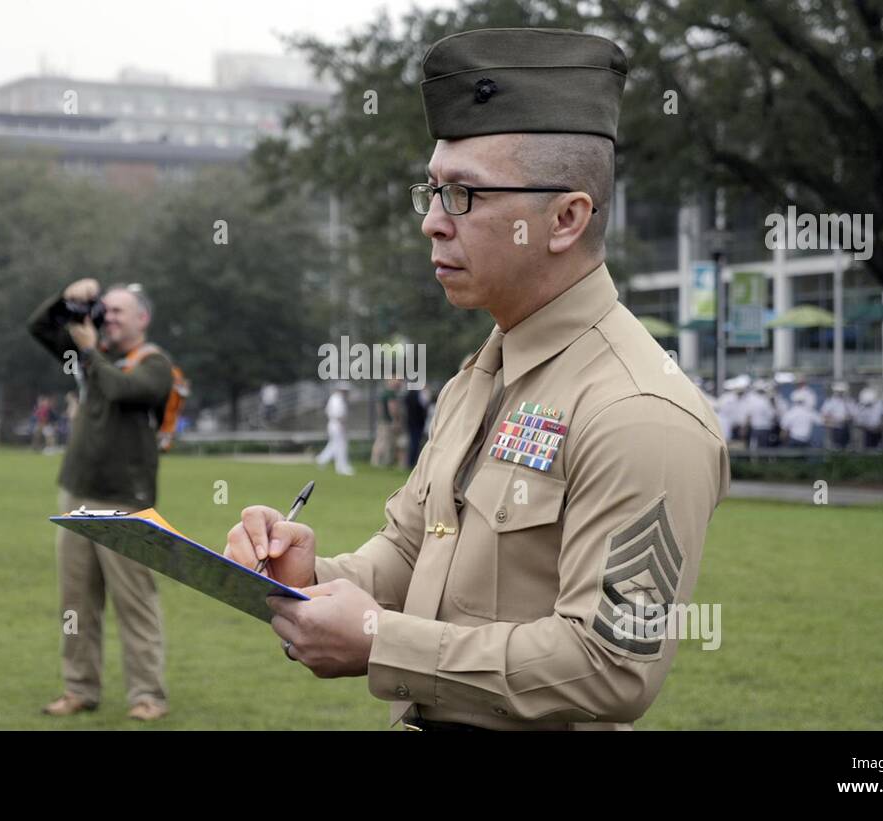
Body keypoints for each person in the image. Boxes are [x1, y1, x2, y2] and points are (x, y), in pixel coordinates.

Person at [222, 27, 728, 730]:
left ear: (565, 218)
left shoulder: (639, 411)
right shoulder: (481, 375)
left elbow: (611, 665)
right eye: (431, 191)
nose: (432, 222)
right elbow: (411, 549)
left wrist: (380, 640)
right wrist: (311, 579)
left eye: (463, 195)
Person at [28, 278, 174, 722]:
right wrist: (67, 299)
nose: (106, 318)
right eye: (102, 310)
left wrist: (90, 351)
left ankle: (149, 695)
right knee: (76, 602)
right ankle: (79, 688)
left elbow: (122, 391)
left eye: (117, 312)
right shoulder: (93, 359)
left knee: (135, 602)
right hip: (77, 493)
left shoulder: (154, 364)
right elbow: (39, 326)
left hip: (125, 502)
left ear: (142, 319)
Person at [315, 382, 355, 476]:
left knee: (334, 444)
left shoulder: (335, 398)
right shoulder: (337, 399)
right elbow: (339, 415)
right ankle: (342, 467)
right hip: (337, 424)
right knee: (341, 446)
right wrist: (343, 425)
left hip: (334, 424)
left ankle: (321, 460)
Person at [371, 378, 404, 467]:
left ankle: (375, 462)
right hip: (388, 422)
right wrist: (395, 420)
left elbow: (379, 408)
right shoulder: (390, 394)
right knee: (386, 443)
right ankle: (383, 463)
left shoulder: (383, 393)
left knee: (379, 441)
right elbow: (392, 408)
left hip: (382, 421)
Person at [742, 381, 777, 449]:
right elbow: (772, 416)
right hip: (766, 428)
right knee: (764, 449)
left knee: (754, 449)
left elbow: (748, 415)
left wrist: (745, 427)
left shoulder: (752, 400)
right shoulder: (767, 401)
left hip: (756, 428)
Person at [403, 384, 431, 468]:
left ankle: (411, 462)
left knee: (413, 443)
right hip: (417, 423)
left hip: (412, 422)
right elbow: (424, 404)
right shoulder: (418, 395)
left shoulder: (409, 394)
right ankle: (411, 463)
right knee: (415, 443)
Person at [820, 382, 853, 450]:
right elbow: (824, 415)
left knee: (846, 447)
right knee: (835, 447)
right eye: (839, 391)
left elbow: (854, 414)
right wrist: (832, 421)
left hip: (846, 427)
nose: (840, 393)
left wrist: (848, 418)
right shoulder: (830, 402)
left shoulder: (849, 401)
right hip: (834, 428)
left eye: (842, 392)